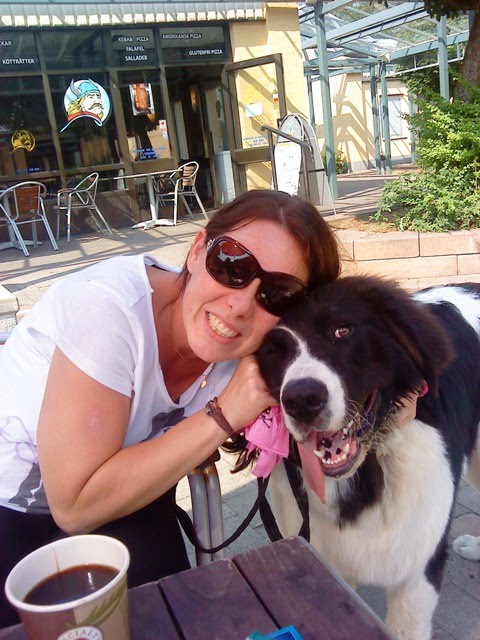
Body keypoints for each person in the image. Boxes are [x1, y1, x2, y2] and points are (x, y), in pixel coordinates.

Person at [0, 189, 340, 627]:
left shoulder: (257, 347)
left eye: (280, 295)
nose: (240, 306)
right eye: (232, 265)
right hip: (15, 504)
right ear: (197, 251)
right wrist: (223, 414)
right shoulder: (109, 309)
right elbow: (75, 505)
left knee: (171, 617)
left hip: (123, 492)